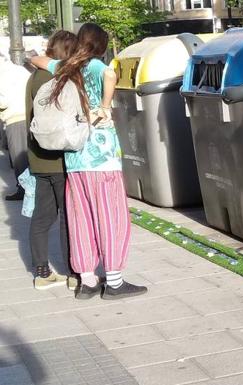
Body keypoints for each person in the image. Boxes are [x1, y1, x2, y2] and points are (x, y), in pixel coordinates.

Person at [31, 23, 147, 300]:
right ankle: (115, 282)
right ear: (101, 46)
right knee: (110, 217)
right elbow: (109, 73)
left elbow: (35, 59)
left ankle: (87, 281)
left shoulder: (66, 66)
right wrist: (105, 107)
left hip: (74, 158)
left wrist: (55, 61)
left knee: (80, 219)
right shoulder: (95, 65)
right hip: (102, 158)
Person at [26, 31, 79, 290]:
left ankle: (42, 272)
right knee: (67, 216)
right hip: (59, 157)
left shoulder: (34, 77)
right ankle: (72, 273)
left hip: (37, 157)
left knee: (42, 216)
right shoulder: (59, 77)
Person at [0, 54, 31, 200]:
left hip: (15, 117)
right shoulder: (20, 70)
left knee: (19, 156)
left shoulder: (3, 75)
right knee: (27, 154)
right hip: (28, 115)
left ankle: (24, 189)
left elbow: (3, 101)